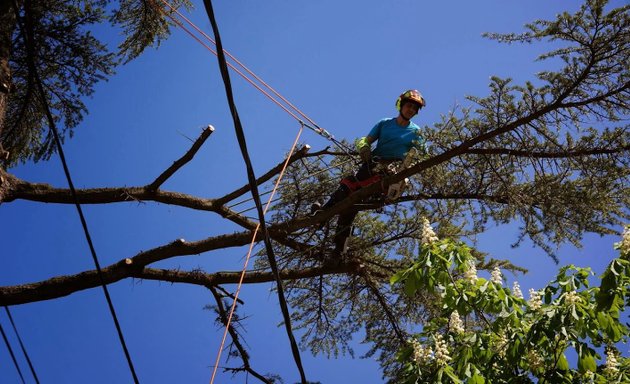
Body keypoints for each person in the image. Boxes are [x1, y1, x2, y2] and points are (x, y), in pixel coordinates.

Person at [311, 89, 427, 257]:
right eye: (409, 106)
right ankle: (334, 239)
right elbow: (365, 139)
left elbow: (422, 155)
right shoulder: (385, 123)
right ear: (401, 106)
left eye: (414, 108)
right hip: (372, 164)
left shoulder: (416, 132)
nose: (411, 110)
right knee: (347, 195)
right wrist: (364, 147)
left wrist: (407, 171)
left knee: (353, 196)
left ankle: (330, 230)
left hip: (392, 172)